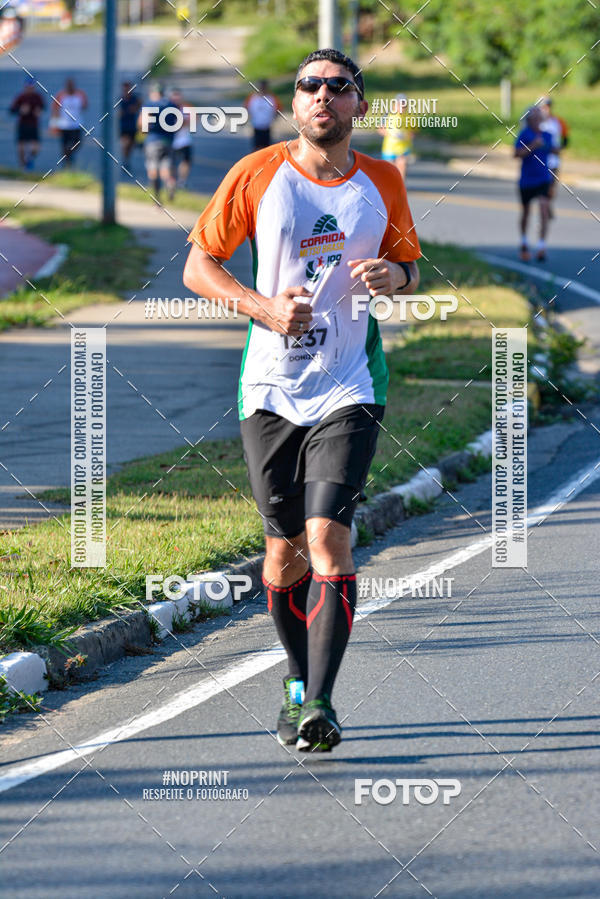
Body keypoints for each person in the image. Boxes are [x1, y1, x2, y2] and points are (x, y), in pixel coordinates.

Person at [183, 48, 421, 753]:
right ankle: (297, 679)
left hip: (351, 381)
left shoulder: (382, 181)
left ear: (359, 105)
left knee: (327, 537)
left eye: (337, 86)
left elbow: (410, 264)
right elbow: (199, 266)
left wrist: (394, 277)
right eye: (308, 86)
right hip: (271, 386)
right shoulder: (257, 174)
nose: (322, 95)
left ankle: (320, 700)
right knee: (283, 556)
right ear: (294, 102)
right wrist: (262, 308)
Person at [514, 106, 553, 262]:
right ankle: (524, 242)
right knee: (526, 212)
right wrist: (533, 146)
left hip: (544, 178)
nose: (537, 120)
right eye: (534, 117)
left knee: (544, 210)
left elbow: (555, 151)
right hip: (527, 180)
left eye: (539, 117)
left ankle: (542, 245)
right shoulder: (524, 135)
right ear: (528, 120)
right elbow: (516, 154)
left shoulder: (548, 135)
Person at [139, 83, 174, 202]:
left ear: (153, 93)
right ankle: (169, 182)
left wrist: (142, 133)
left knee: (153, 169)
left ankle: (157, 199)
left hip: (153, 141)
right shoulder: (170, 105)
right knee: (165, 168)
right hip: (168, 141)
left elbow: (142, 123)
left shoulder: (149, 105)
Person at [538, 97, 569, 220]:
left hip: (554, 160)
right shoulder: (537, 123)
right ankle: (545, 209)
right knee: (543, 186)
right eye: (544, 106)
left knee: (552, 188)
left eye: (548, 106)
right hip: (541, 161)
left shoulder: (558, 122)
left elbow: (566, 140)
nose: (547, 109)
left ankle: (547, 205)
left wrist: (559, 149)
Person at [9, 76, 45, 170]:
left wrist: (39, 111)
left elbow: (43, 107)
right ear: (25, 87)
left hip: (34, 125)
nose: (30, 89)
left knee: (35, 149)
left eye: (32, 87)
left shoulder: (38, 97)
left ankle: (29, 160)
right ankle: (22, 166)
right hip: (23, 124)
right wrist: (20, 110)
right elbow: (12, 110)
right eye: (28, 87)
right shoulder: (21, 97)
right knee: (21, 147)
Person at [52, 77, 88, 167]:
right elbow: (55, 109)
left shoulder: (80, 94)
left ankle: (69, 155)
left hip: (76, 124)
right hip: (64, 125)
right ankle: (67, 162)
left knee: (78, 142)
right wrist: (54, 124)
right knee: (64, 145)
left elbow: (85, 106)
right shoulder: (61, 95)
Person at [378, 93, 413, 179]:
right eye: (400, 105)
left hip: (403, 148)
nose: (402, 107)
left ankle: (401, 189)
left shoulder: (409, 117)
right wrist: (391, 134)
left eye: (404, 105)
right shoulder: (387, 115)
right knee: (390, 172)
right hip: (389, 149)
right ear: (395, 105)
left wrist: (407, 135)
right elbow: (380, 129)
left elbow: (413, 132)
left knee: (402, 167)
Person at [244, 79, 281, 150]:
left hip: (267, 126)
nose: (262, 89)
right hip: (256, 126)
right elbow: (245, 108)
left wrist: (275, 117)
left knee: (266, 148)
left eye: (264, 87)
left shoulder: (272, 98)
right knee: (256, 148)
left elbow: (278, 109)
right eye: (260, 87)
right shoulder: (252, 98)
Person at [169, 88, 192, 196]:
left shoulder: (186, 108)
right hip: (171, 141)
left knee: (186, 161)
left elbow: (191, 121)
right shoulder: (167, 109)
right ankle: (172, 182)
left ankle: (182, 181)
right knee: (172, 163)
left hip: (184, 140)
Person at [118, 81, 141, 164]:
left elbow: (139, 107)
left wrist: (135, 109)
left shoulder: (134, 99)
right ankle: (125, 159)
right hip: (122, 125)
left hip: (132, 125)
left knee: (131, 145)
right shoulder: (119, 99)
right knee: (125, 143)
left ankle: (127, 158)